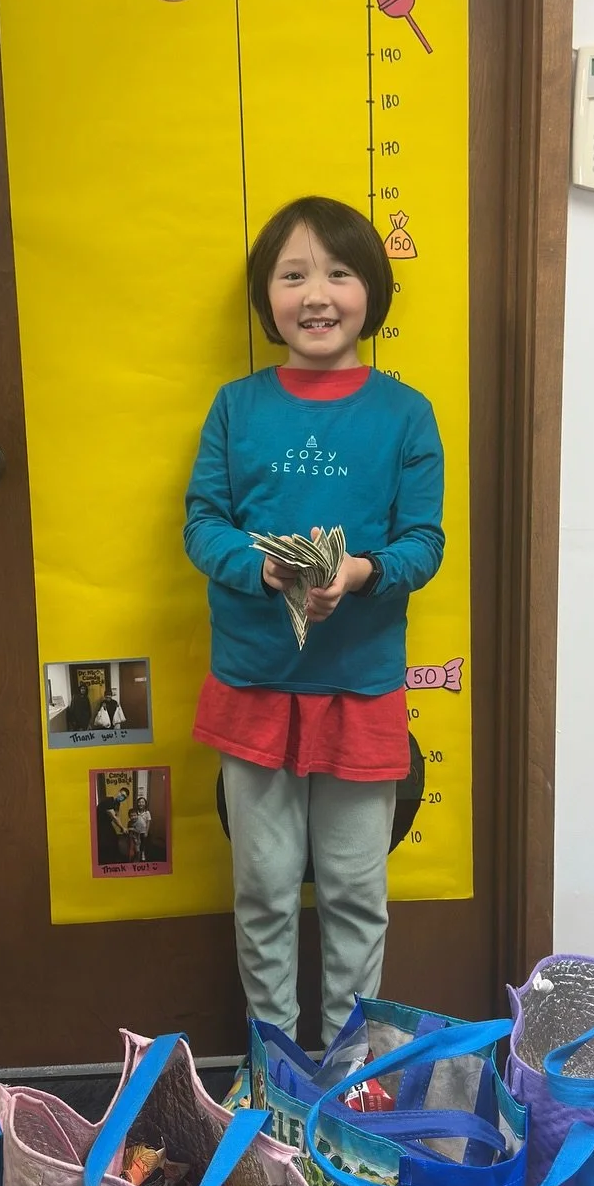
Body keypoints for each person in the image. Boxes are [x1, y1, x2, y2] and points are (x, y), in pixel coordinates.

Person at [184, 194, 444, 1045]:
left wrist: (366, 573)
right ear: (267, 300)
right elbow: (202, 523)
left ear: (371, 290)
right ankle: (272, 1063)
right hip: (255, 683)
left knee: (353, 892)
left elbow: (424, 543)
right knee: (262, 888)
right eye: (292, 276)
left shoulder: (406, 414)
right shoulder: (237, 407)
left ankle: (344, 1068)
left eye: (339, 272)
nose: (317, 294)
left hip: (359, 688)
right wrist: (260, 567)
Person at [127, 794, 153, 860]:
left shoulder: (147, 812)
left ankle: (143, 853)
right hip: (136, 830)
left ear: (145, 803)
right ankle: (135, 853)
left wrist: (146, 832)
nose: (141, 803)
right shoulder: (136, 812)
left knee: (143, 843)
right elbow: (132, 819)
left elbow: (148, 822)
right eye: (139, 802)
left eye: (142, 802)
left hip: (143, 830)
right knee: (136, 842)